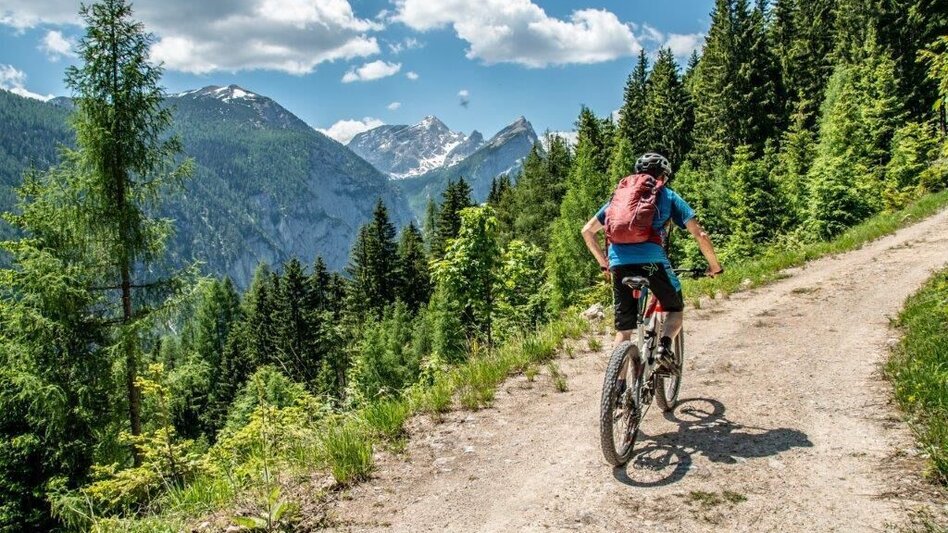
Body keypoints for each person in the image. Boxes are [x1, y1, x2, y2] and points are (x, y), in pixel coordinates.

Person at [581, 152, 723, 367]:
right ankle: (664, 347)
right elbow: (700, 235)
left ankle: (617, 391)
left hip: (619, 263)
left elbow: (587, 231)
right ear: (663, 176)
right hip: (652, 261)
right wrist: (714, 266)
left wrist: (605, 263)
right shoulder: (667, 195)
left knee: (624, 331)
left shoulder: (618, 198)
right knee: (675, 309)